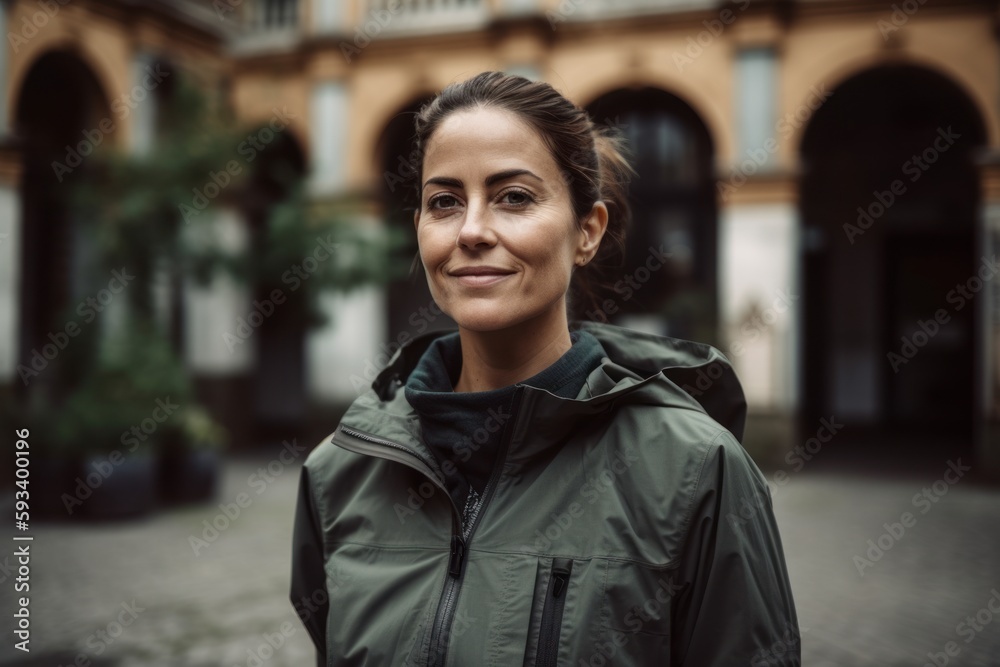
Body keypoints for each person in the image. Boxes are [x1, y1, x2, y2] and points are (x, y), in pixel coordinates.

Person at [290, 71, 800, 666]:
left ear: (587, 231)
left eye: (515, 197)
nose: (472, 230)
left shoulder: (695, 471)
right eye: (444, 202)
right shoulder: (341, 472)